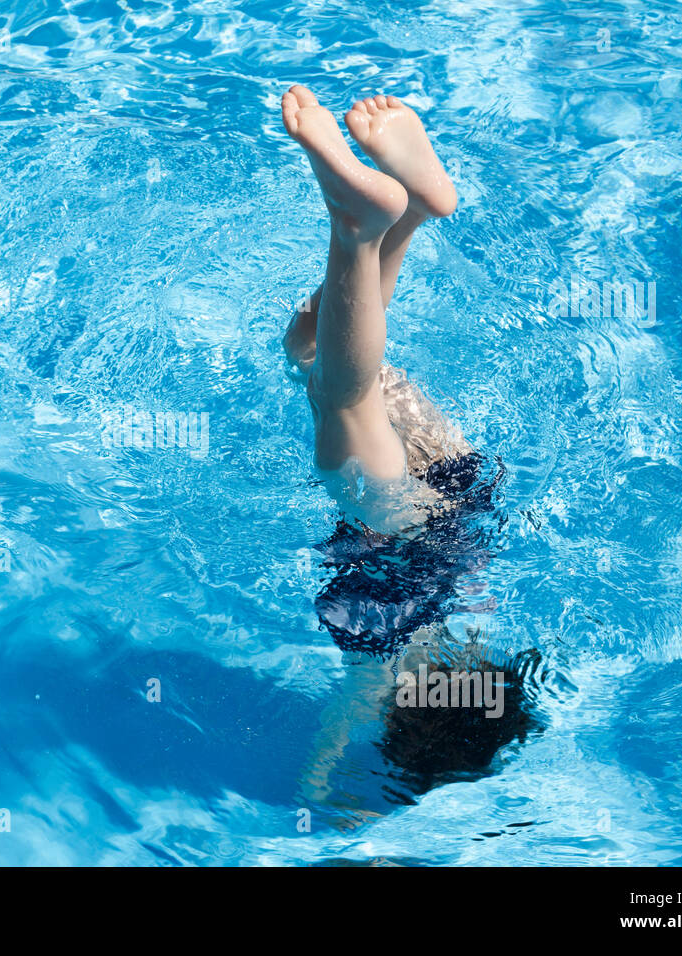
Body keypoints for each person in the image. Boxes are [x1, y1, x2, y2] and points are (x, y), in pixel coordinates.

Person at [281, 86, 539, 811]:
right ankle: (359, 225)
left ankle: (419, 211)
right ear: (401, 720)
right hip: (395, 536)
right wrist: (322, 792)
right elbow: (337, 727)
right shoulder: (382, 672)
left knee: (312, 351)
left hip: (464, 492)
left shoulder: (479, 634)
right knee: (346, 395)